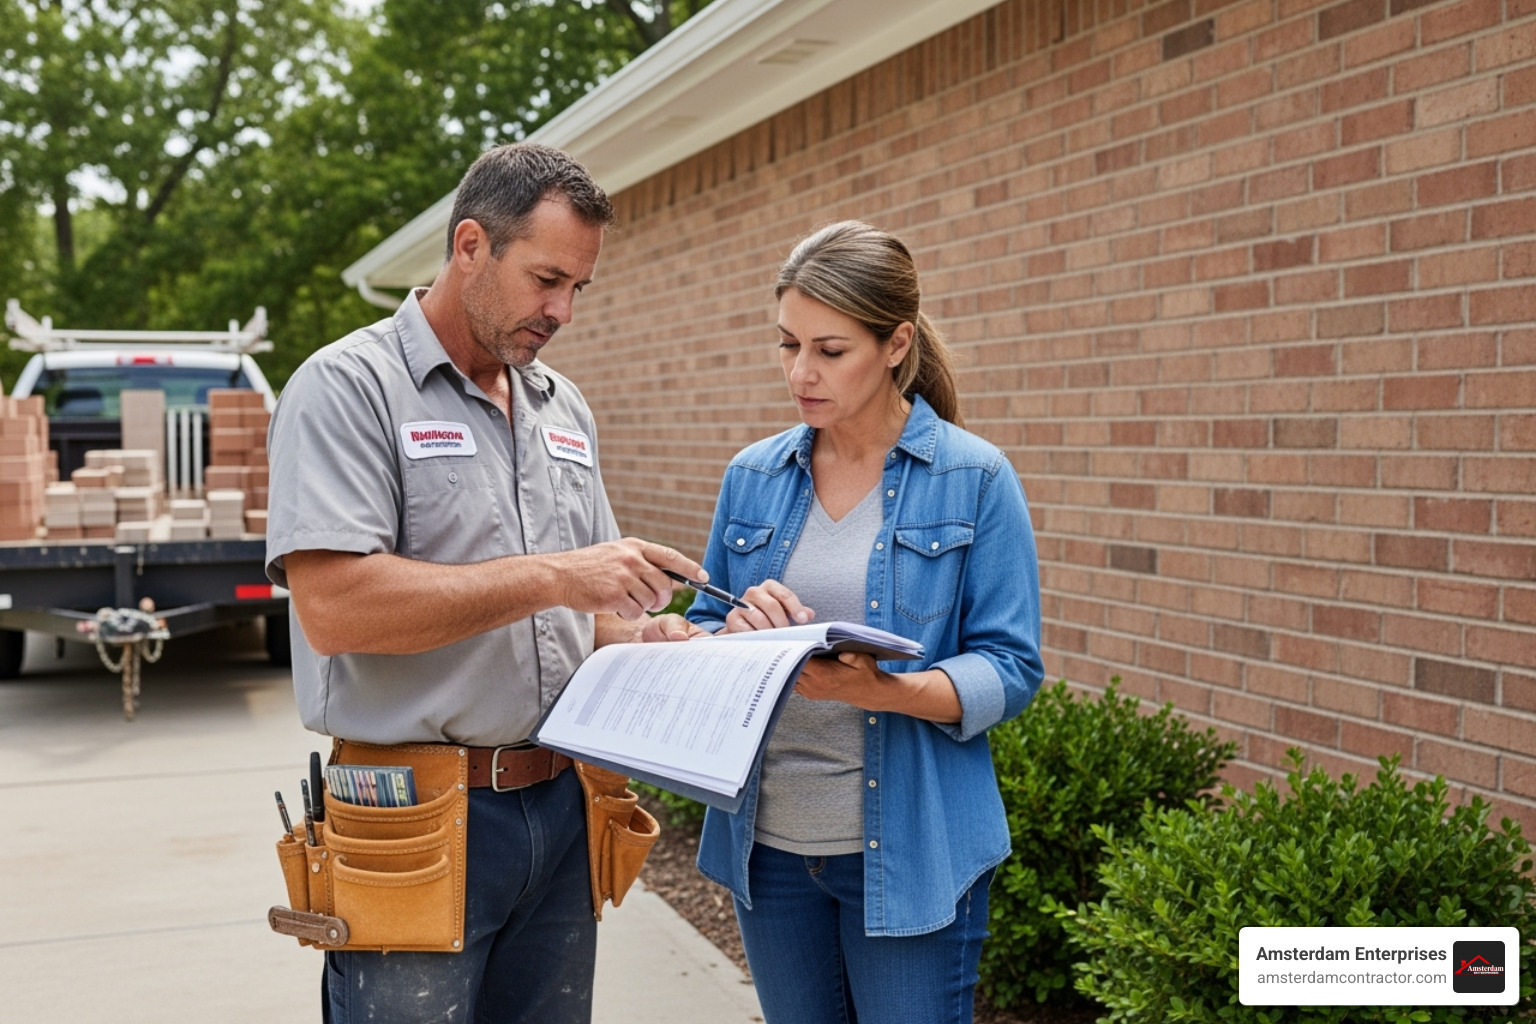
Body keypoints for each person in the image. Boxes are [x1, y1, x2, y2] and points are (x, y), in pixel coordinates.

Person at [265, 142, 708, 1024]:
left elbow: (572, 622)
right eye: (547, 279)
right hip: (412, 819)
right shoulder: (349, 388)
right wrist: (555, 575)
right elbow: (336, 609)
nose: (564, 312)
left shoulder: (562, 408)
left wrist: (648, 640)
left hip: (559, 804)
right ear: (471, 244)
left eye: (580, 287)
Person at [685, 220, 1044, 1024]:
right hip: (768, 850)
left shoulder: (974, 479)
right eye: (787, 345)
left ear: (895, 343)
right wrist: (732, 633)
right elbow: (703, 625)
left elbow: (1012, 666)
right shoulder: (752, 476)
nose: (799, 372)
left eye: (829, 349)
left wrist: (890, 692)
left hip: (912, 853)